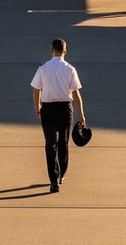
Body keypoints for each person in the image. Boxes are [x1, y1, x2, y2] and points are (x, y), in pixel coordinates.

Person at [31, 38, 86, 193]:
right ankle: (62, 173)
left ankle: (53, 181)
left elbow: (36, 90)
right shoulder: (70, 69)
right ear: (65, 51)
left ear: (51, 51)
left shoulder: (43, 69)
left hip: (48, 109)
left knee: (50, 144)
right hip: (65, 109)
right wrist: (81, 115)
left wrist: (38, 106)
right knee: (63, 143)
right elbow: (76, 94)